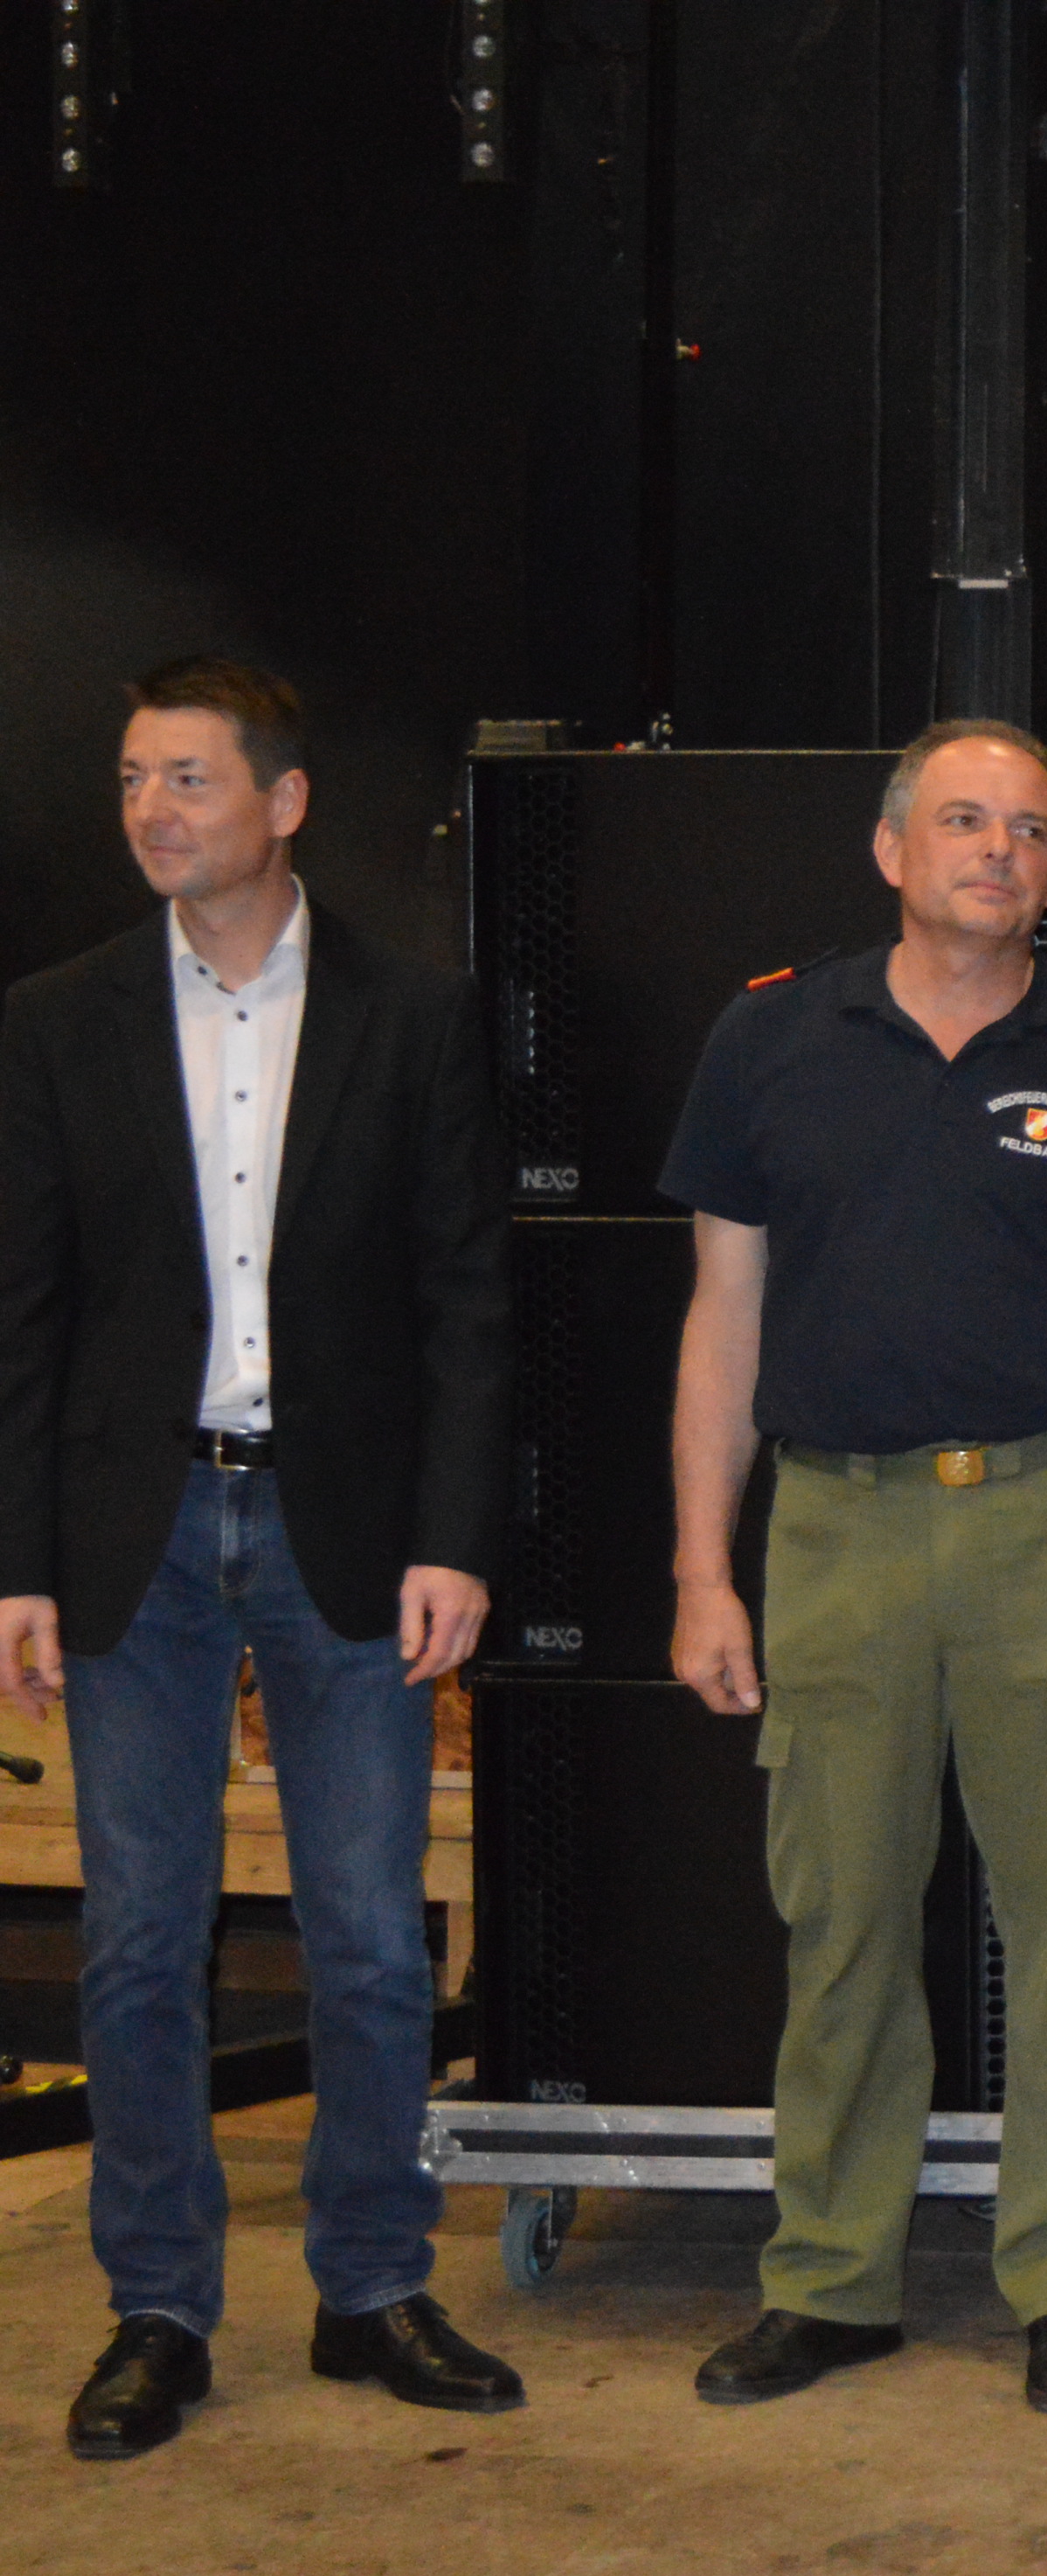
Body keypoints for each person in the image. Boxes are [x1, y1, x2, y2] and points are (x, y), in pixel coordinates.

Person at [660, 720, 1047, 2418]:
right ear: (891, 848)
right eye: (966, 821)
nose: (1000, 853)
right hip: (835, 1530)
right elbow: (722, 1323)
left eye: (1030, 832)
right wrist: (702, 1571)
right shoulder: (769, 1038)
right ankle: (831, 2279)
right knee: (838, 1920)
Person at [0, 656, 516, 2457]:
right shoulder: (54, 1019)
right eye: (133, 778)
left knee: (367, 1937)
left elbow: (467, 1303)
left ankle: (372, 2288)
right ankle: (157, 2308)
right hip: (129, 1536)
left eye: (190, 778)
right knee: (140, 1941)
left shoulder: (414, 1018)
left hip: (344, 1527)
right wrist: (18, 1562)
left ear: (285, 803)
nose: (152, 810)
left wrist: (454, 1537)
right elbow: (23, 1314)